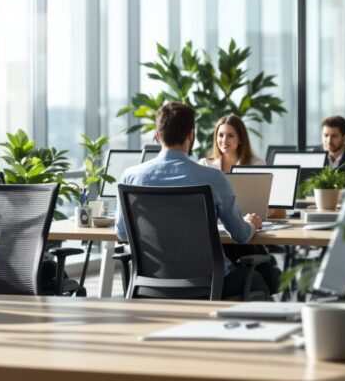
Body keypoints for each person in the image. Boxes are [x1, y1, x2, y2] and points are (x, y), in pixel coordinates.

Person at [114, 102, 270, 299]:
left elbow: (121, 233)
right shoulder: (213, 178)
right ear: (191, 135)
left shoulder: (130, 177)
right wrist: (251, 224)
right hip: (210, 285)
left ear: (158, 136)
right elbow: (240, 235)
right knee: (258, 279)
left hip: (150, 285)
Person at [198, 114, 266, 173]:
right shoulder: (204, 165)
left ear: (240, 139)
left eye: (230, 135)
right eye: (221, 135)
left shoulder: (257, 165)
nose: (224, 140)